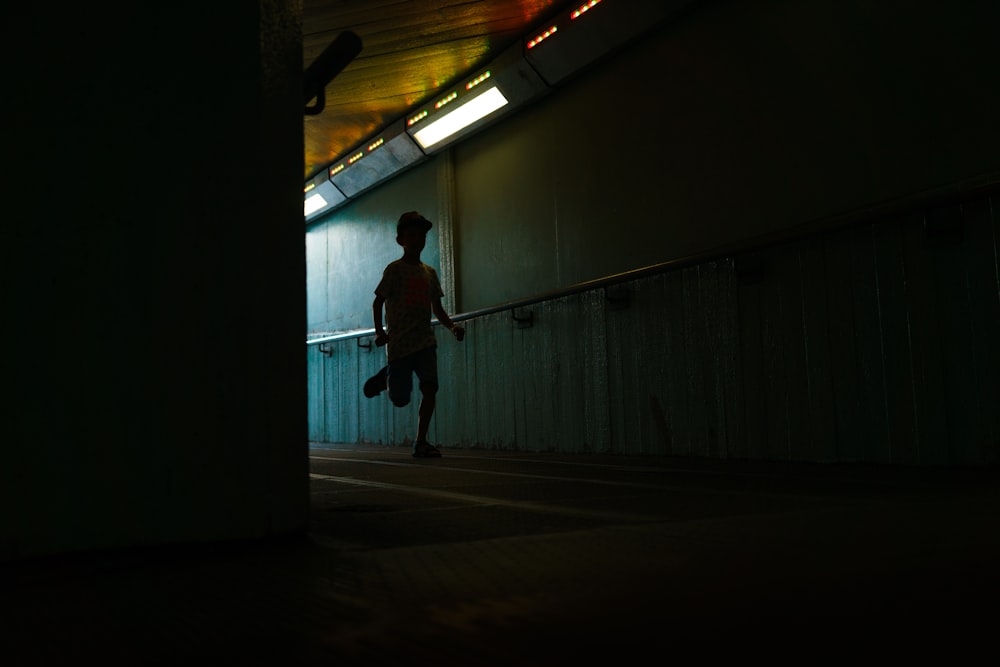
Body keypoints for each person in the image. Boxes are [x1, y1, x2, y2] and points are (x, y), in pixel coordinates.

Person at [363, 211, 465, 458]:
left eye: (422, 234)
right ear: (401, 240)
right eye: (412, 234)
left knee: (430, 388)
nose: (418, 238)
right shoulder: (395, 270)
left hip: (425, 341)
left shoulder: (429, 273)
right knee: (400, 399)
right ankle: (386, 377)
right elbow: (378, 303)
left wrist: (451, 327)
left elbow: (437, 308)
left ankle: (421, 441)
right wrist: (379, 333)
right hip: (399, 344)